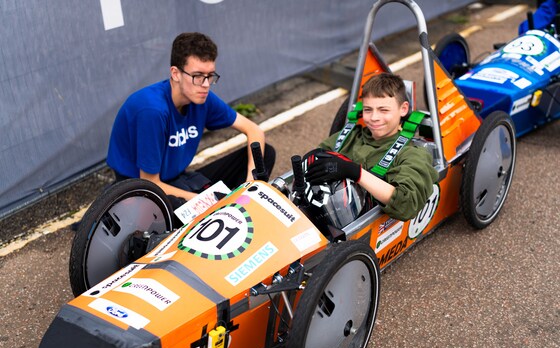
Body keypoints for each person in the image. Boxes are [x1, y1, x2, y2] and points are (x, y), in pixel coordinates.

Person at [107, 32, 275, 208]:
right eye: (197, 76)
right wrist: (206, 201)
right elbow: (150, 183)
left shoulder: (201, 97)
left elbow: (254, 130)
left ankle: (236, 209)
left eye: (210, 76)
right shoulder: (152, 110)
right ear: (176, 73)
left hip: (176, 179)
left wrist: (250, 180)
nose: (205, 84)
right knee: (190, 210)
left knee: (265, 154)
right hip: (140, 190)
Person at [305, 72, 438, 221]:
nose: (374, 117)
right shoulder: (349, 137)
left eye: (384, 110)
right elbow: (316, 158)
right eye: (368, 109)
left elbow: (407, 205)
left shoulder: (412, 154)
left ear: (403, 109)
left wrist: (355, 172)